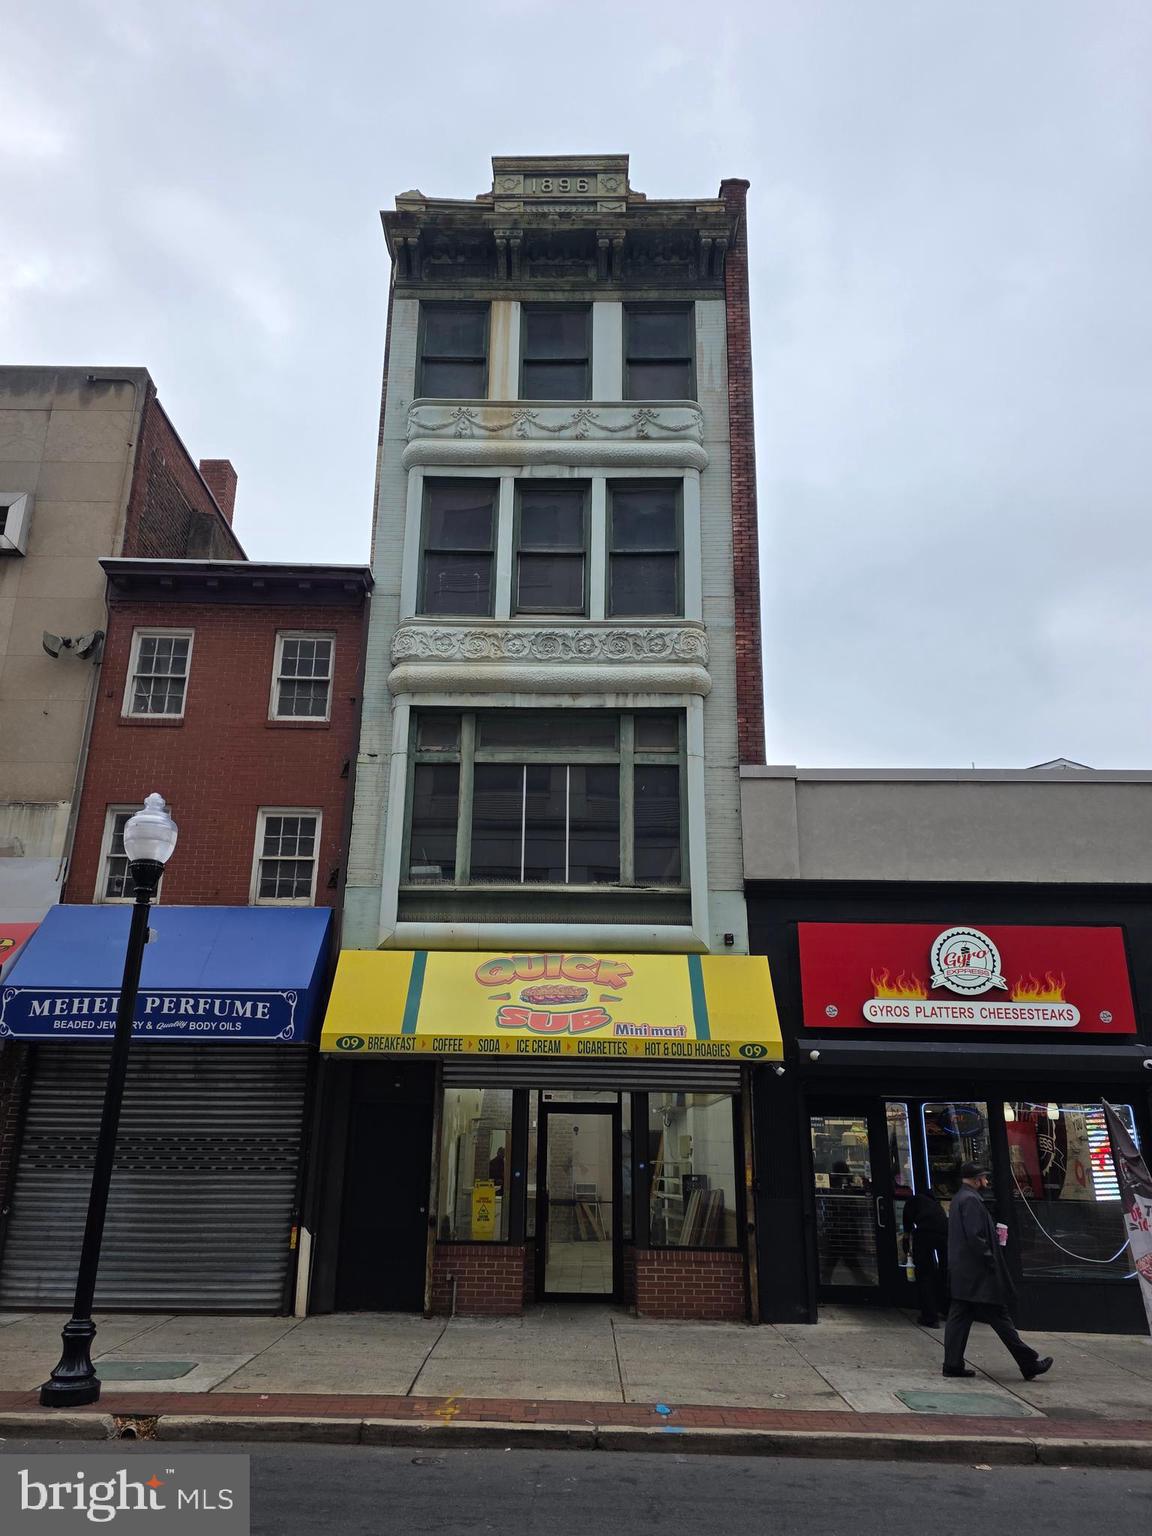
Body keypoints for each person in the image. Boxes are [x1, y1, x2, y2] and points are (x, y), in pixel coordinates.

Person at [942, 1160, 1053, 1381]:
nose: (986, 1181)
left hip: (965, 1274)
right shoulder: (971, 1200)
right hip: (977, 1274)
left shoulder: (960, 1198)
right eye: (983, 1178)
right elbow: (975, 1236)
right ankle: (1028, 1363)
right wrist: (990, 1258)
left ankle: (953, 1364)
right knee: (1000, 1317)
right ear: (976, 1180)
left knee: (959, 1318)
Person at [902, 1184, 949, 1327]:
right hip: (944, 1234)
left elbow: (907, 1230)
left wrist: (907, 1246)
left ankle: (930, 1317)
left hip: (924, 1235)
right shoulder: (936, 1205)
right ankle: (947, 1309)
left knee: (924, 1274)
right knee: (945, 1273)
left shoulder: (912, 1202)